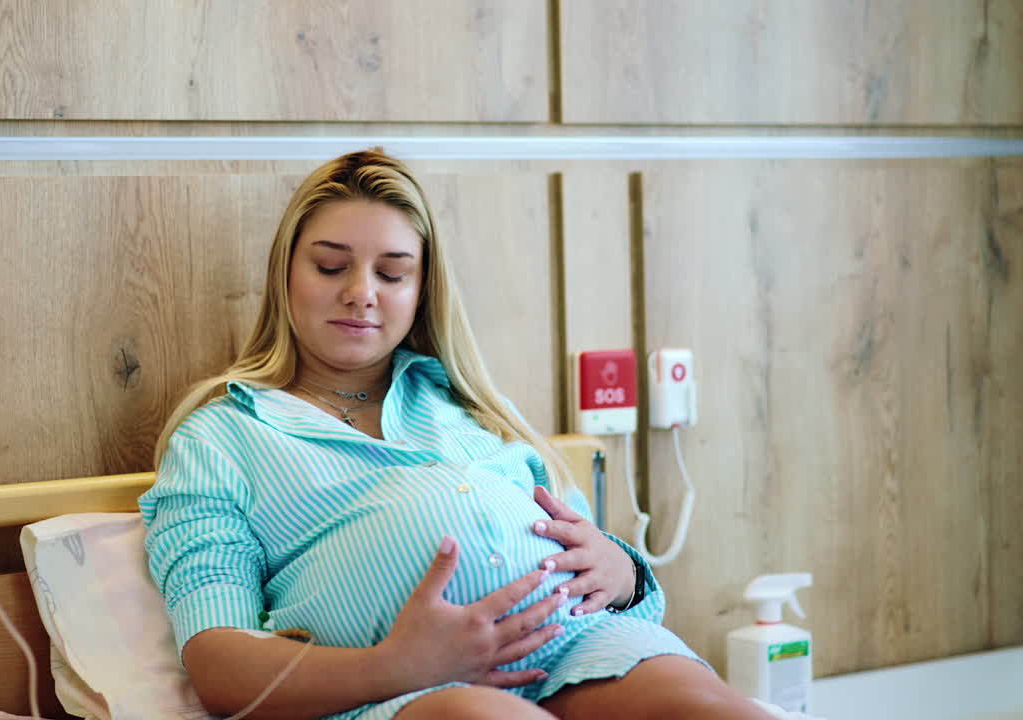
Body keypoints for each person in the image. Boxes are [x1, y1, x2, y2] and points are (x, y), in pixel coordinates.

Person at [139, 149, 771, 720]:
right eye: (332, 266)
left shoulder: (469, 406)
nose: (361, 294)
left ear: (421, 292)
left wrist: (622, 570)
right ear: (286, 275)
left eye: (391, 275)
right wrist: (393, 666)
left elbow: (592, 556)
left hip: (580, 646)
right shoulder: (220, 438)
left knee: (713, 709)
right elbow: (217, 664)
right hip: (403, 692)